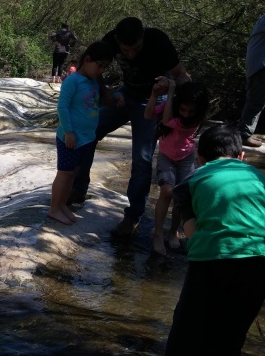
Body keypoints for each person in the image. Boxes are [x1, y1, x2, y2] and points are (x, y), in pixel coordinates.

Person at [157, 124, 265, 356]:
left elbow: (189, 223)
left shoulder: (194, 178)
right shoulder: (262, 179)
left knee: (190, 324)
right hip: (260, 258)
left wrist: (200, 246)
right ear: (241, 156)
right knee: (233, 327)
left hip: (213, 257)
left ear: (199, 158)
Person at [69, 17, 191, 238]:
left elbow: (181, 74)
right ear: (117, 41)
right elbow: (87, 66)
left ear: (143, 36)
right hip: (126, 94)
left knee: (142, 159)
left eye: (136, 49)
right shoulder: (110, 41)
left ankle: (132, 216)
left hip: (153, 101)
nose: (131, 54)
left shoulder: (158, 40)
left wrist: (187, 111)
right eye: (126, 50)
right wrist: (105, 92)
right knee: (88, 132)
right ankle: (78, 189)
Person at [47, 41, 115, 224]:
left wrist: (114, 99)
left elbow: (93, 104)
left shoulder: (93, 82)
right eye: (99, 65)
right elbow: (62, 106)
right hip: (70, 137)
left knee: (73, 174)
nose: (101, 70)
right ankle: (54, 208)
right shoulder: (73, 80)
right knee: (65, 173)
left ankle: (62, 206)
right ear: (87, 60)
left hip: (86, 138)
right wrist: (68, 131)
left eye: (105, 67)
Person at [143, 78, 210, 255]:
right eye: (183, 109)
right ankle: (158, 233)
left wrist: (171, 93)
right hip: (166, 155)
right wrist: (154, 95)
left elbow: (166, 121)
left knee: (181, 196)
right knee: (166, 191)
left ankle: (173, 231)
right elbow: (148, 115)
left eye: (190, 111)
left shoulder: (194, 120)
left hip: (185, 157)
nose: (186, 114)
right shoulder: (170, 105)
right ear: (178, 104)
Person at [237, 8, 265, 148]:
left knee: (258, 101)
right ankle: (244, 134)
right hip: (262, 67)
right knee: (257, 101)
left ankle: (246, 132)